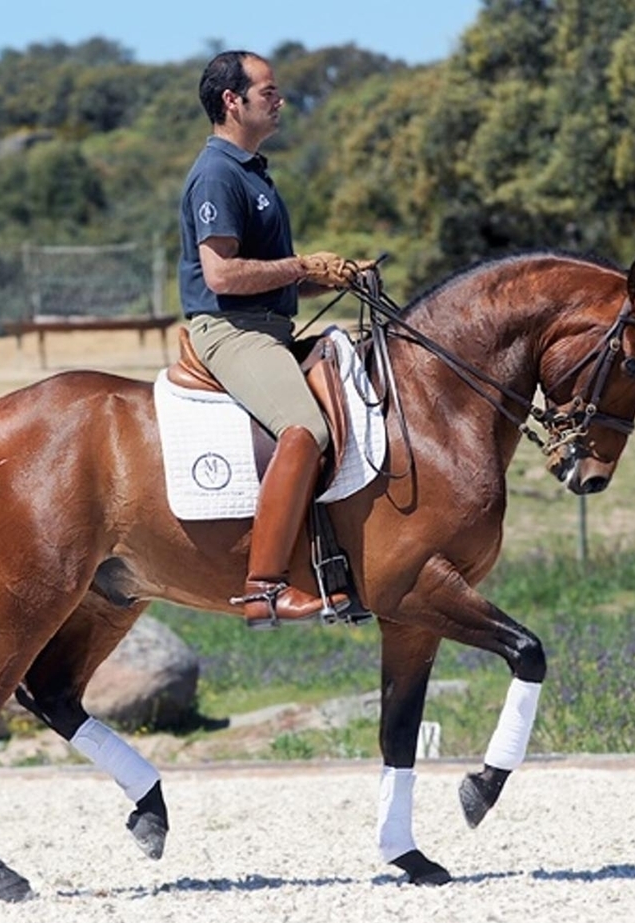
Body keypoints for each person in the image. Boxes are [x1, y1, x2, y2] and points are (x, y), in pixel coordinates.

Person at [178, 50, 367, 629]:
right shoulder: (217, 173)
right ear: (231, 101)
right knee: (304, 428)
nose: (279, 99)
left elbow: (269, 279)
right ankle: (264, 589)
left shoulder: (253, 171)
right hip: (230, 331)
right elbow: (223, 276)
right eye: (268, 91)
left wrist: (328, 278)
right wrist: (302, 265)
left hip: (269, 325)